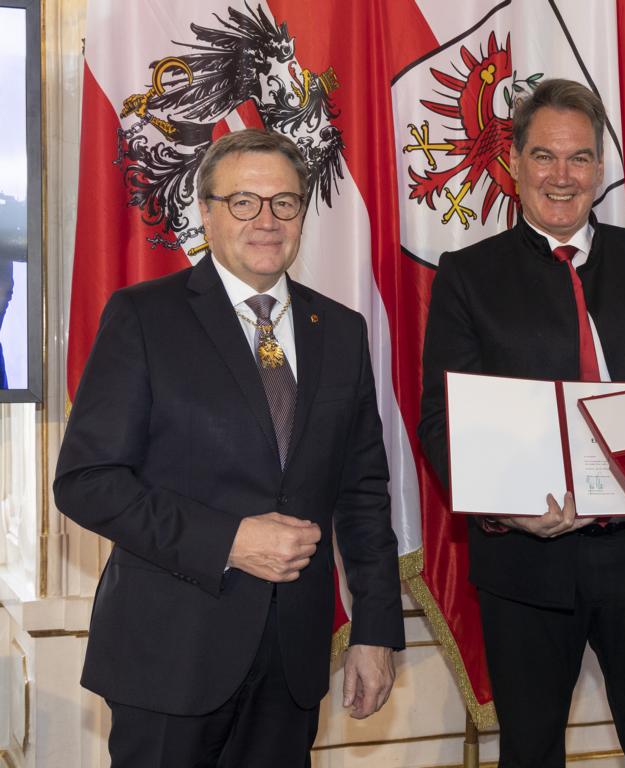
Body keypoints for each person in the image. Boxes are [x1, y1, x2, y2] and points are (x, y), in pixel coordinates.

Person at [54, 129, 405, 767]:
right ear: (207, 212)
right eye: (244, 202)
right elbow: (88, 480)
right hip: (169, 656)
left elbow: (362, 493)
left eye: (285, 203)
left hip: (292, 662)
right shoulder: (142, 316)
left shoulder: (343, 332)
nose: (266, 221)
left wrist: (375, 631)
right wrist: (229, 540)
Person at [418, 79, 625, 767]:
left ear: (601, 168)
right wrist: (506, 504)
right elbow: (441, 419)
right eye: (545, 157)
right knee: (529, 753)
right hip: (529, 556)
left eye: (580, 158)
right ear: (514, 164)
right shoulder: (468, 277)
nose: (563, 176)